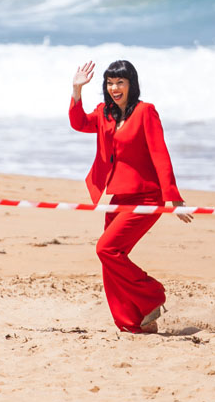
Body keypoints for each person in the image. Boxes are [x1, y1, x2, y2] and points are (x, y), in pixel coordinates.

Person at [69, 60, 193, 334]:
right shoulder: (104, 113)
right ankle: (132, 323)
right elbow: (79, 123)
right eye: (110, 83)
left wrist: (173, 197)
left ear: (131, 84)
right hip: (118, 197)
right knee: (111, 260)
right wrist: (77, 90)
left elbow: (160, 153)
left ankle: (152, 295)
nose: (114, 88)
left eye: (120, 83)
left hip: (147, 197)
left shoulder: (145, 112)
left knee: (106, 249)